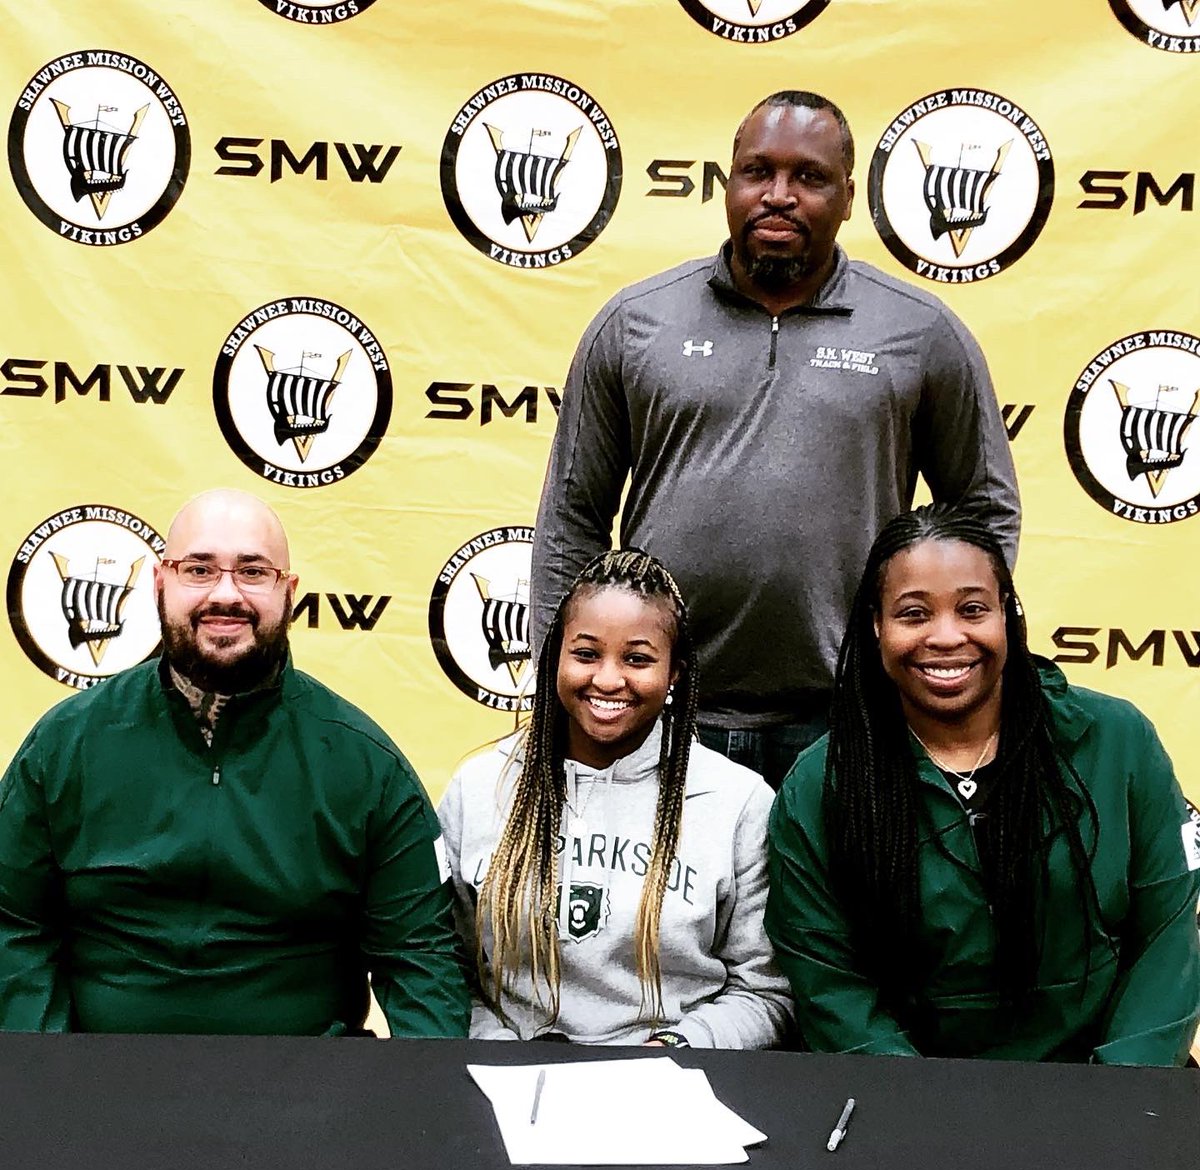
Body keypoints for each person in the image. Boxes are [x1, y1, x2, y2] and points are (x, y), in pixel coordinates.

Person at [531, 90, 1020, 788]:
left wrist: (935, 656)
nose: (779, 196)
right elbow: (571, 518)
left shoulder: (919, 332)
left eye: (809, 177)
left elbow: (983, 511)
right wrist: (562, 687)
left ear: (848, 196)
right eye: (757, 172)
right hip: (655, 710)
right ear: (728, 183)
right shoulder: (636, 323)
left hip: (849, 717)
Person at [0, 489, 469, 1037]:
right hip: (95, 1072)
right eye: (198, 569)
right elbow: (11, 921)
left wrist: (415, 1089)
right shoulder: (66, 743)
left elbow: (422, 959)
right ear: (160, 583)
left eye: (253, 572)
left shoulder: (367, 765)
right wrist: (46, 1064)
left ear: (288, 592)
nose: (226, 594)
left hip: (307, 1078)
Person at [765, 504, 1200, 1063]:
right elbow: (828, 982)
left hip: (1106, 1084)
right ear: (876, 626)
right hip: (905, 1091)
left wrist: (1118, 1089)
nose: (947, 637)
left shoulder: (1119, 741)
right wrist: (919, 1103)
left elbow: (1168, 939)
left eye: (972, 609)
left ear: (1008, 616)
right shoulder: (820, 783)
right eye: (914, 614)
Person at [438, 549, 793, 1047]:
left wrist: (673, 1052)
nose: (607, 680)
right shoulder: (478, 788)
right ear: (554, 655)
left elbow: (764, 991)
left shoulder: (738, 802)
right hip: (505, 1072)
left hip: (674, 1077)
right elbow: (443, 968)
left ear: (674, 673)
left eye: (637, 659)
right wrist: (503, 1055)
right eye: (586, 654)